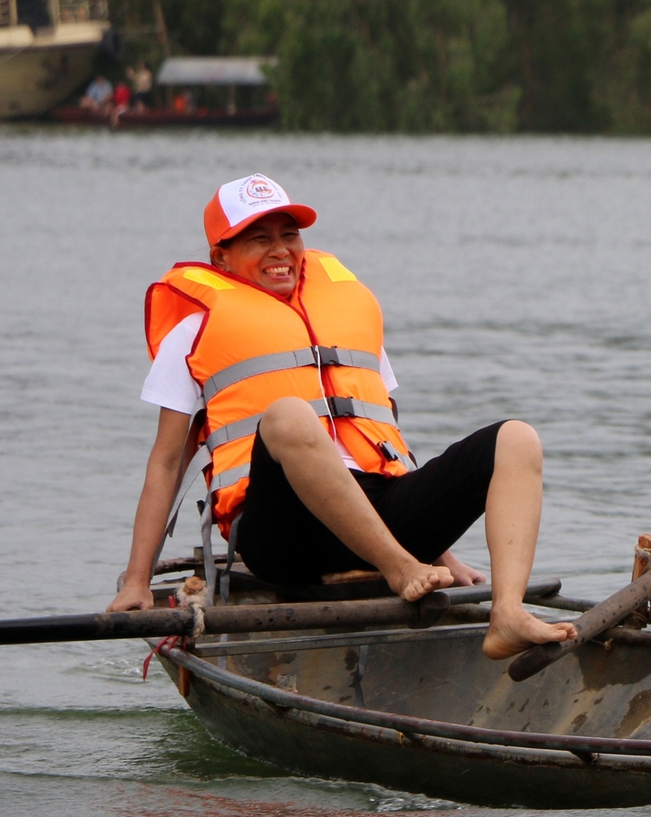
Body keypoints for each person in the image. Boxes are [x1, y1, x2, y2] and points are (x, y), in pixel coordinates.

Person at [108, 175, 577, 660]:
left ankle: (508, 613)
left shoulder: (347, 311)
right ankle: (399, 569)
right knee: (288, 417)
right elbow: (165, 463)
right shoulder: (195, 330)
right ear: (220, 256)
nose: (280, 251)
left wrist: (443, 555)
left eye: (289, 236)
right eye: (259, 239)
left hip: (376, 516)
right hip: (285, 535)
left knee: (516, 439)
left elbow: (385, 437)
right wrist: (139, 581)